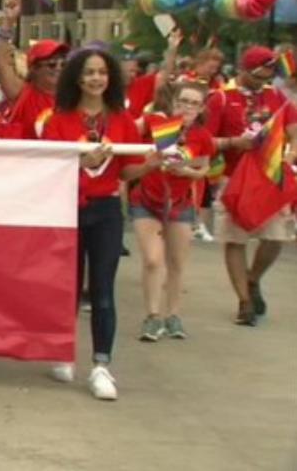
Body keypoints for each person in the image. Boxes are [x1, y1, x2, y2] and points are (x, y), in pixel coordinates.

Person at [42, 48, 159, 401]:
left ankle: (101, 365)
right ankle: (63, 353)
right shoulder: (58, 120)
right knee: (69, 287)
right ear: (77, 78)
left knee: (104, 290)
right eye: (89, 72)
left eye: (102, 72)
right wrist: (79, 163)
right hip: (69, 209)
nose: (96, 78)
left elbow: (127, 170)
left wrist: (151, 164)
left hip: (107, 209)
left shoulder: (122, 119)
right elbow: (49, 169)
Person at [205, 46, 295, 325]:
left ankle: (253, 279)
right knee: (235, 239)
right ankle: (244, 302)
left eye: (269, 74)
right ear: (243, 70)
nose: (263, 80)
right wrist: (232, 143)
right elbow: (205, 139)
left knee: (276, 236)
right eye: (258, 75)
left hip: (269, 177)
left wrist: (292, 151)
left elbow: (292, 130)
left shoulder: (275, 95)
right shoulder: (220, 98)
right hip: (233, 177)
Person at [130, 81, 214, 342]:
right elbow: (127, 132)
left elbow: (203, 169)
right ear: (173, 102)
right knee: (153, 260)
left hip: (180, 204)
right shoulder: (157, 123)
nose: (186, 107)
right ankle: (152, 316)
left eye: (193, 103)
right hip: (147, 200)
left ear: (201, 109)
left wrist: (187, 171)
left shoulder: (202, 136)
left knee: (176, 263)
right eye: (182, 101)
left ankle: (173, 315)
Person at [0, 0, 68, 139]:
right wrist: (8, 23)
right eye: (52, 64)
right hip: (26, 161)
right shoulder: (23, 93)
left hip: (62, 161)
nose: (59, 68)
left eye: (64, 64)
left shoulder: (74, 97)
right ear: (34, 69)